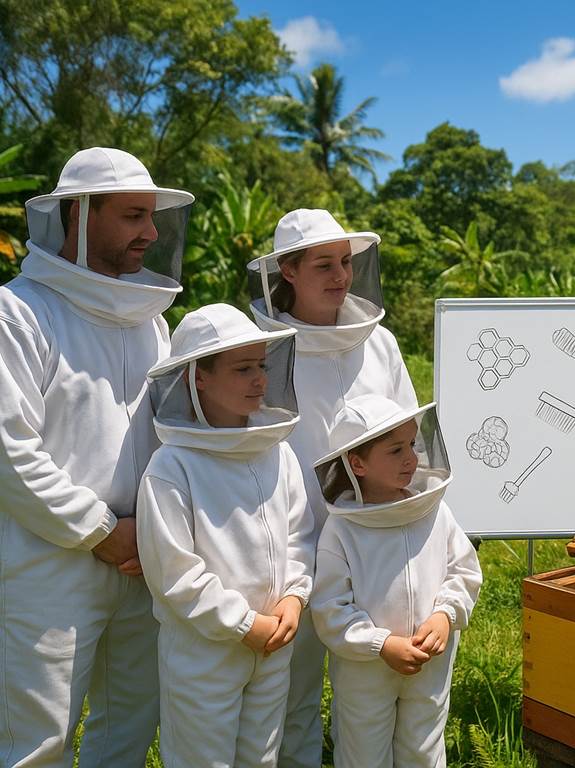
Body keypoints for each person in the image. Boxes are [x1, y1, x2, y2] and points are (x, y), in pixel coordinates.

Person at [0, 147, 192, 766]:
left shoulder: (149, 321)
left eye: (153, 217)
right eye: (135, 215)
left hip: (142, 558)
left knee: (129, 732)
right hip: (46, 562)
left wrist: (152, 534)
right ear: (81, 215)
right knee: (37, 740)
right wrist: (100, 530)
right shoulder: (18, 312)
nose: (152, 233)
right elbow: (9, 450)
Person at [248, 207, 417, 765]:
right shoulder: (260, 348)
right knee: (289, 696)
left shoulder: (382, 344)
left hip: (372, 542)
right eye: (324, 264)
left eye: (346, 262)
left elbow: (409, 434)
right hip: (289, 546)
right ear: (287, 271)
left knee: (369, 694)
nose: (341, 276)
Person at [136, 303, 314, 766]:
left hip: (273, 643)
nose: (259, 380)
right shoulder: (173, 467)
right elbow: (174, 574)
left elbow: (299, 537)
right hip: (203, 655)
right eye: (242, 369)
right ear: (199, 376)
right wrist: (242, 624)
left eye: (261, 366)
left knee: (261, 759)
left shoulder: (279, 453)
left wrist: (294, 597)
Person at [310, 394, 482, 768]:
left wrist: (445, 616)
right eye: (394, 450)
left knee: (424, 750)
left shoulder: (435, 510)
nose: (411, 458)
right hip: (366, 672)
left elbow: (463, 570)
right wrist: (380, 644)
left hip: (430, 665)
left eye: (411, 444)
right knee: (363, 753)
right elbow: (329, 609)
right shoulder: (341, 531)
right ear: (357, 463)